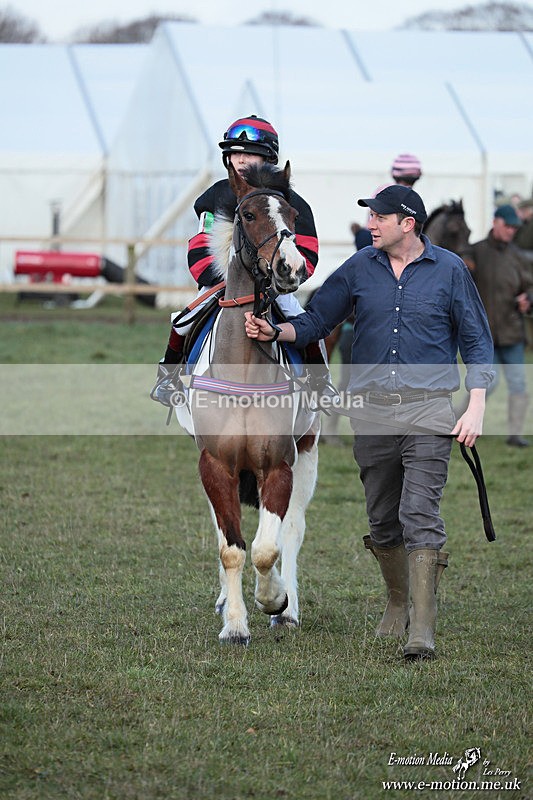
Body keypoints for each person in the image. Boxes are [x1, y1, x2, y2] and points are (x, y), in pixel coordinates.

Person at [245, 184, 494, 660]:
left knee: (419, 515)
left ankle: (422, 629)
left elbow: (477, 341)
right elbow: (317, 322)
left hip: (429, 410)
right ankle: (397, 602)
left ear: (407, 224)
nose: (371, 223)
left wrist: (476, 402)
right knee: (382, 520)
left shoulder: (450, 271)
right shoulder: (360, 267)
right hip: (371, 412)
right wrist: (276, 331)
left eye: (379, 217)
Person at [152, 114, 321, 404]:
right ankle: (169, 377)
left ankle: (319, 381)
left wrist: (284, 279)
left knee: (303, 322)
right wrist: (220, 279)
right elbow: (200, 244)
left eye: (251, 154)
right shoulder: (215, 196)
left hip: (274, 288)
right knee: (182, 320)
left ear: (268, 159)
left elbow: (307, 248)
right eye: (235, 152)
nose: (241, 160)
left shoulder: (292, 202)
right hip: (223, 284)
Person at [463, 204, 533, 447]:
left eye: (515, 227)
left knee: (519, 385)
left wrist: (529, 300)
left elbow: (530, 287)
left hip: (512, 333)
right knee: (484, 385)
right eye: (508, 226)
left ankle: (515, 435)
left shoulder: (519, 257)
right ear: (496, 222)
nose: (512, 231)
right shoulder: (475, 252)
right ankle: (460, 423)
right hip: (484, 336)